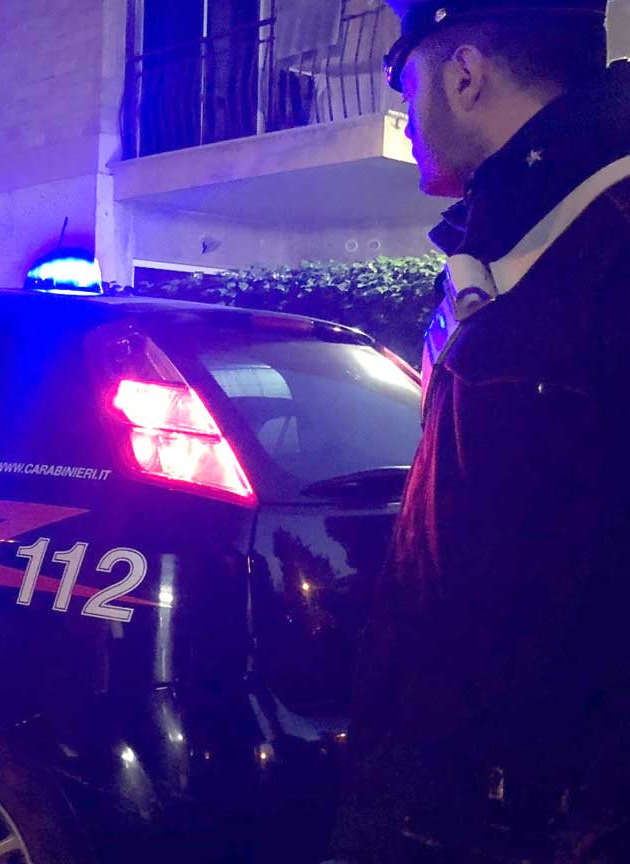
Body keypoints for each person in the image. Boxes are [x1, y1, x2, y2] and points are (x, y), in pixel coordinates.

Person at [325, 1, 630, 861]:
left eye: (403, 78)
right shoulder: (510, 243)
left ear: (465, 74)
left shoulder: (602, 248)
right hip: (452, 795)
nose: (404, 110)